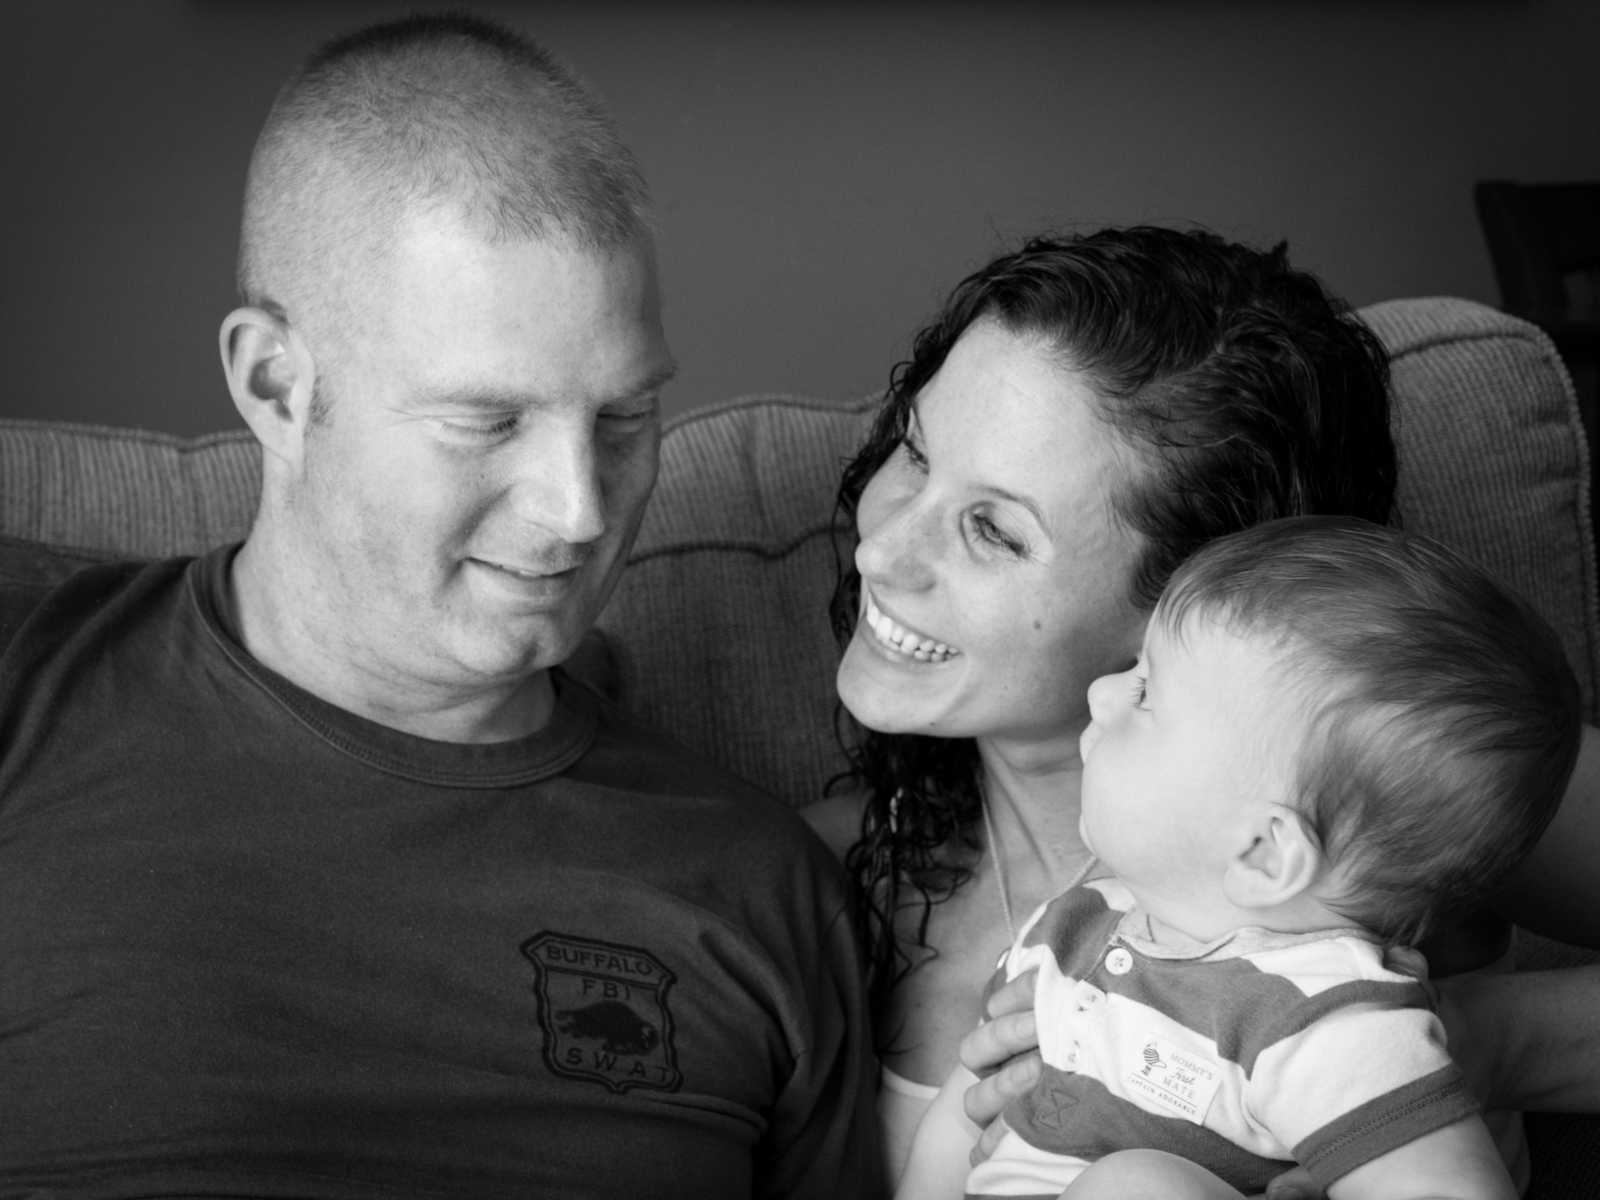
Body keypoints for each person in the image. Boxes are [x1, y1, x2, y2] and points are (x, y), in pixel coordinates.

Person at [0, 13, 877, 1197]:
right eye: (487, 421)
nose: (579, 509)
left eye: (624, 418)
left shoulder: (756, 884)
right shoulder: (34, 686)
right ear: (276, 386)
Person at [800, 225, 1600, 1193]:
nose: (879, 550)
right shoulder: (828, 869)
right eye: (916, 452)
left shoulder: (1386, 780)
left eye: (992, 533)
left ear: (1201, 597)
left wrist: (1457, 1052)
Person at [893, 516, 1581, 1200]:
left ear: (1259, 853)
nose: (1101, 696)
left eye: (1145, 694)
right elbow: (956, 1128)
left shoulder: (1326, 1023)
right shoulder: (1077, 925)